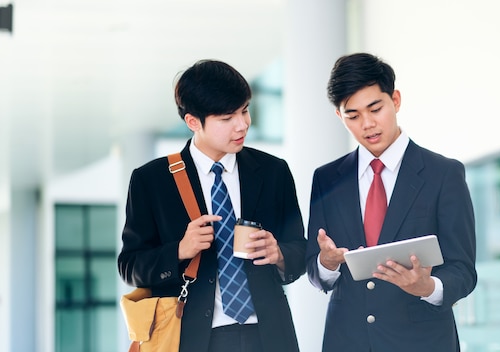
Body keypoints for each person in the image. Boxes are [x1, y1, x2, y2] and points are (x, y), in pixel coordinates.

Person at [118, 59, 306, 352]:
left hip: (269, 337)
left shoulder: (273, 172)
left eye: (244, 110)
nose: (242, 124)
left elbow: (300, 250)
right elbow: (130, 266)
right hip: (194, 339)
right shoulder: (152, 181)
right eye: (227, 118)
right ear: (193, 121)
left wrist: (279, 253)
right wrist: (180, 250)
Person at [306, 52, 477, 351]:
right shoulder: (327, 178)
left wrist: (428, 287)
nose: (368, 124)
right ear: (339, 116)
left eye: (375, 108)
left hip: (421, 342)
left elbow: (463, 270)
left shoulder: (443, 174)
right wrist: (327, 263)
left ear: (395, 100)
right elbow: (316, 272)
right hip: (347, 341)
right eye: (353, 115)